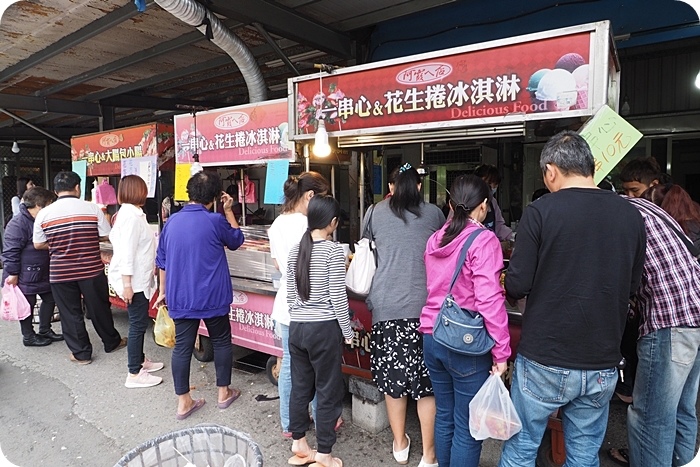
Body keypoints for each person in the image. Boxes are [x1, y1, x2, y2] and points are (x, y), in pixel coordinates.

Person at [498, 131, 646, 467]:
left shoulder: (540, 212)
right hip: (601, 360)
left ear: (551, 171)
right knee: (583, 454)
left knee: (521, 448)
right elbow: (633, 285)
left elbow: (517, 284)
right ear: (590, 166)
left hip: (545, 357)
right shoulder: (631, 215)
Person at [420, 174, 511, 467]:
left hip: (432, 336)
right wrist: (501, 352)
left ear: (450, 204)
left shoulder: (436, 238)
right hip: (465, 345)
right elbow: (489, 300)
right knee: (468, 428)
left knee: (445, 416)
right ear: (484, 206)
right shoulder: (483, 240)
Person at [609, 194, 700, 467]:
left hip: (668, 321)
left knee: (650, 417)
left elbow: (618, 279)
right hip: (694, 313)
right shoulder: (642, 207)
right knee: (682, 410)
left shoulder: (617, 217)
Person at [364, 163, 444, 467]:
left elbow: (368, 250)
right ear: (420, 187)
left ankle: (400, 445)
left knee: (394, 381)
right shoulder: (435, 214)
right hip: (427, 311)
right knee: (427, 386)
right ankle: (429, 455)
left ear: (392, 186)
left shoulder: (374, 212)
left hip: (387, 310)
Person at [155, 171, 244, 420]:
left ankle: (184, 402)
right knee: (222, 341)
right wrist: (228, 211)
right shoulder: (215, 221)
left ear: (189, 193)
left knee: (182, 347)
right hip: (213, 296)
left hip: (181, 296)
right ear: (216, 196)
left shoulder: (171, 222)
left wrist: (163, 292)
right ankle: (223, 393)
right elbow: (237, 240)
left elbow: (161, 261)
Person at [285, 195, 353, 467]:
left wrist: (300, 315)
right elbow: (338, 297)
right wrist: (347, 332)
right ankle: (324, 454)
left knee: (300, 387)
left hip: (298, 328)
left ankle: (299, 442)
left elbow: (291, 294)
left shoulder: (296, 249)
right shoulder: (335, 251)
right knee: (327, 390)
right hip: (323, 329)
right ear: (332, 222)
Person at [33, 171, 125, 365]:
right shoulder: (91, 209)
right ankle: (112, 342)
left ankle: (82, 354)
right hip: (91, 270)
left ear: (55, 191)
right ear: (77, 188)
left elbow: (38, 244)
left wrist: (59, 244)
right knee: (99, 307)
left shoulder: (44, 213)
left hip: (61, 273)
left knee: (70, 312)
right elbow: (106, 235)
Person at [268, 171, 330, 437]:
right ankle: (320, 417)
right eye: (322, 198)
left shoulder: (277, 224)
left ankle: (288, 424)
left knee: (290, 367)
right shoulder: (309, 226)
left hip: (285, 305)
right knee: (316, 367)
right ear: (310, 196)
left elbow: (277, 265)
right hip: (310, 307)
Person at [108, 175, 164, 389]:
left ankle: (140, 361)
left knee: (139, 322)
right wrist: (128, 285)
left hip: (138, 278)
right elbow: (127, 254)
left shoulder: (131, 214)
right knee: (138, 324)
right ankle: (133, 372)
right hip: (134, 281)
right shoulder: (130, 217)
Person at [1, 187, 62, 347]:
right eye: (48, 204)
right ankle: (28, 336)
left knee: (50, 298)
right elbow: (10, 251)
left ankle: (45, 329)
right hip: (24, 273)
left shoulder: (39, 220)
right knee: (26, 304)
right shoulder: (18, 223)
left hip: (41, 270)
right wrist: (13, 273)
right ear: (38, 205)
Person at [473, 164, 514, 241]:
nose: (492, 187)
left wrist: (513, 236)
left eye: (495, 185)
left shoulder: (492, 202)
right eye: (489, 183)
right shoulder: (465, 202)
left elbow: (499, 226)